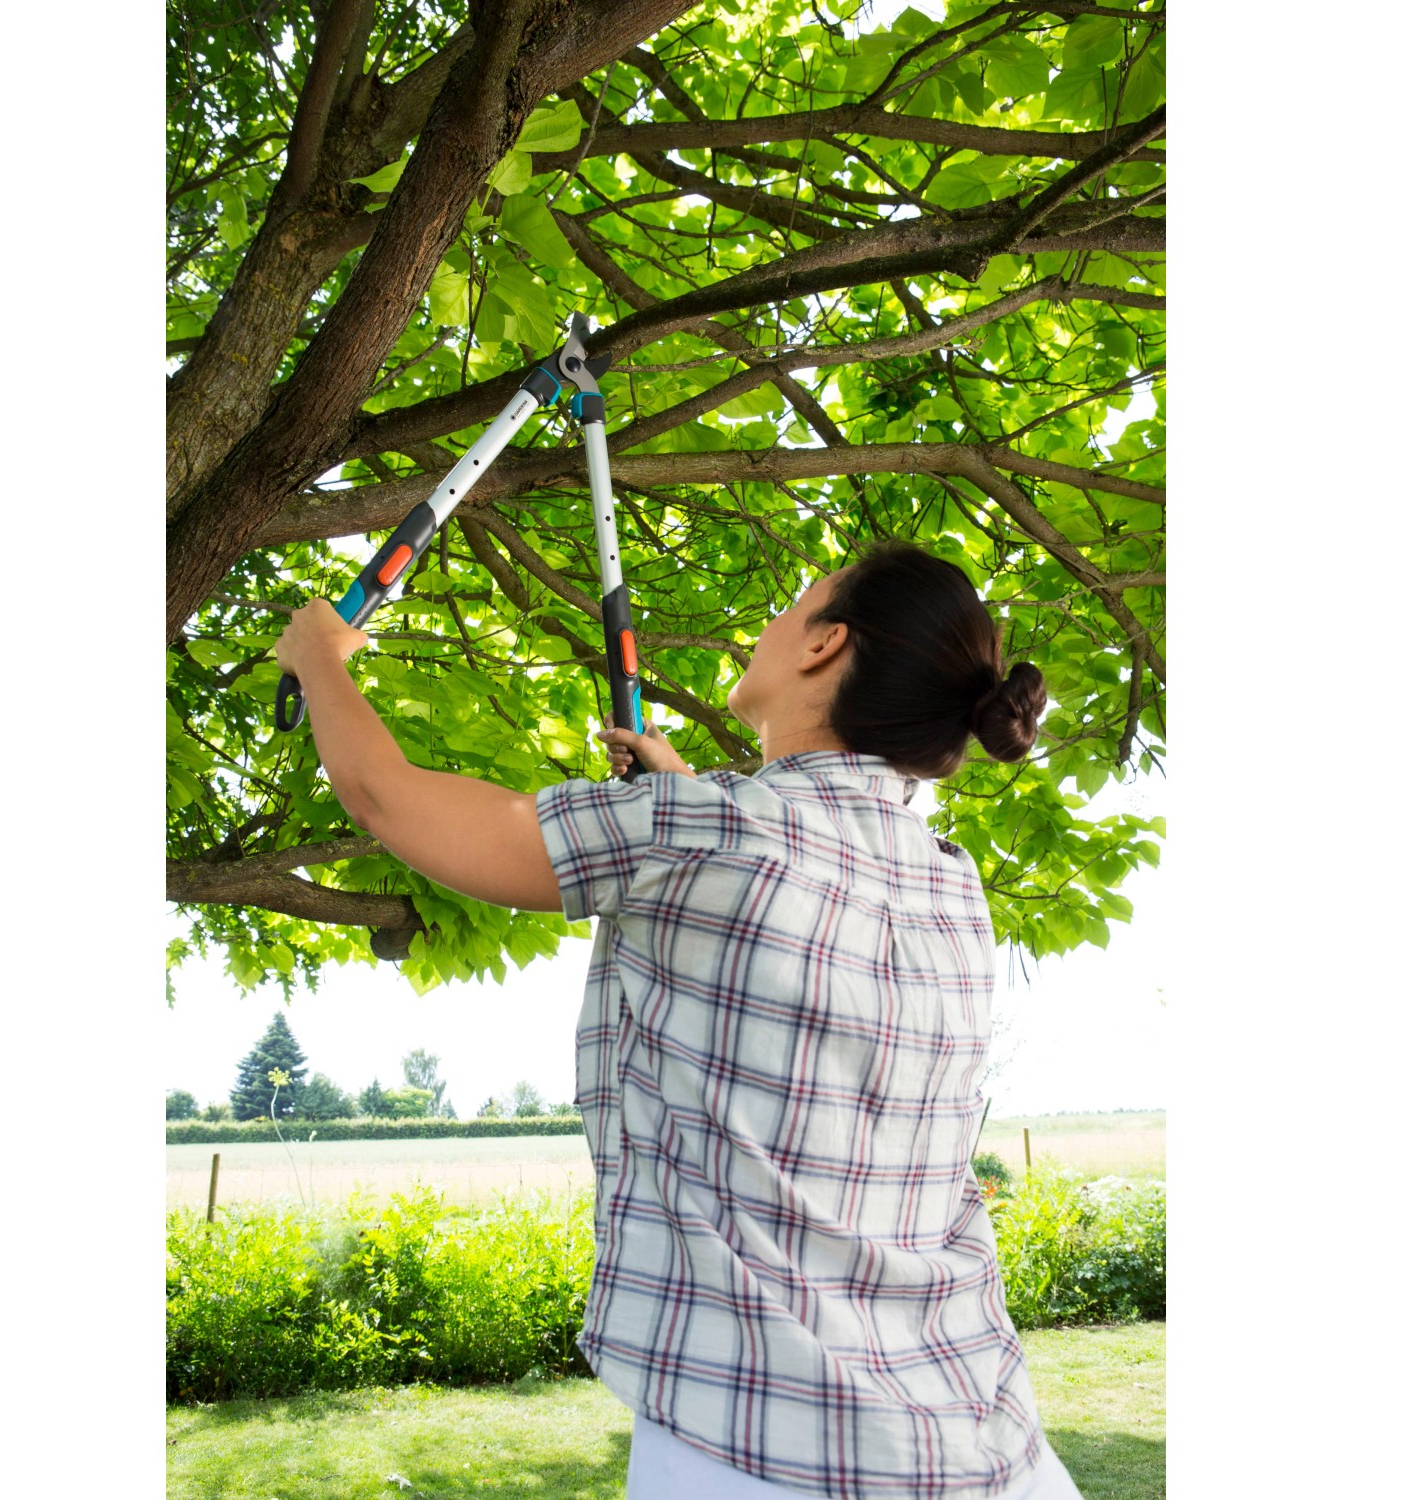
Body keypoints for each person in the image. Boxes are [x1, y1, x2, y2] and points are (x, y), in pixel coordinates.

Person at [274, 540, 1081, 1499]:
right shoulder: (951, 885)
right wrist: (683, 803)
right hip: (983, 1442)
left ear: (826, 646)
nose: (771, 626)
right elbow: (775, 978)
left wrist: (318, 656)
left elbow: (389, 798)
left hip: (767, 1445)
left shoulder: (702, 834)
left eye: (795, 605)